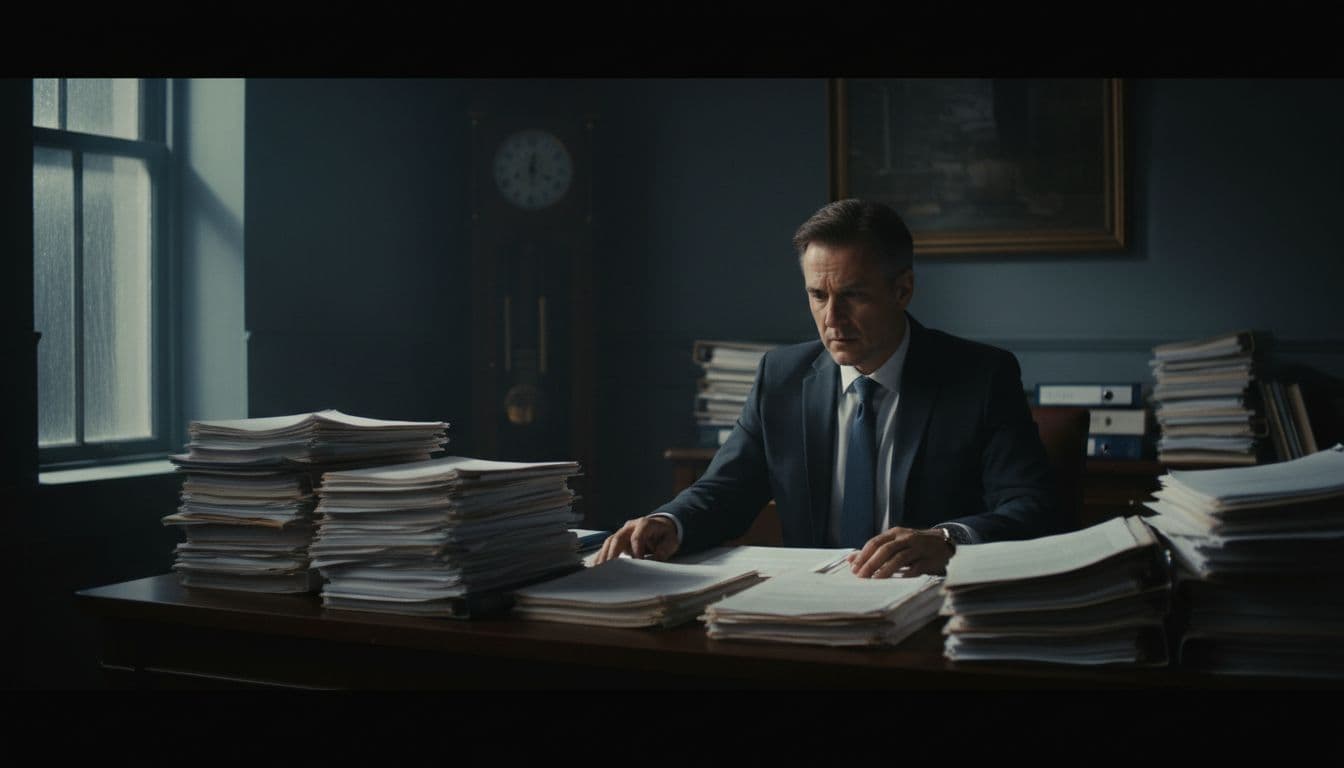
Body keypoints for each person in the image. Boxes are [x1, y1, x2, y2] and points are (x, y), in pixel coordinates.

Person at [595, 199, 1060, 577]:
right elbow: (726, 490)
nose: (831, 319)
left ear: (903, 290)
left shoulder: (981, 376)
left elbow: (1032, 508)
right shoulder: (780, 377)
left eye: (853, 295)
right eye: (818, 296)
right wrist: (668, 522)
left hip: (933, 606)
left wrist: (946, 541)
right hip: (812, 608)